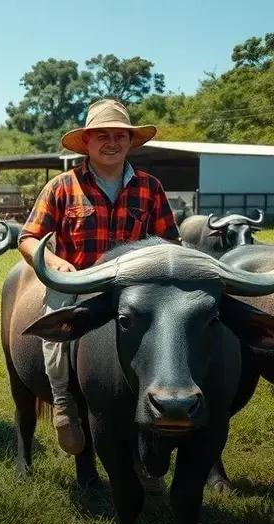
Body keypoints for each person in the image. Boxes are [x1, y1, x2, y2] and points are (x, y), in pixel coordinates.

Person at [18, 99, 179, 454]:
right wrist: (56, 263)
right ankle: (63, 402)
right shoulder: (62, 186)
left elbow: (170, 242)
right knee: (56, 323)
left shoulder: (150, 187)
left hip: (135, 288)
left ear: (129, 142)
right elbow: (28, 237)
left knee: (170, 338)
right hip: (80, 281)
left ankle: (157, 416)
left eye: (120, 135)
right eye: (101, 135)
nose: (112, 142)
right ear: (86, 143)